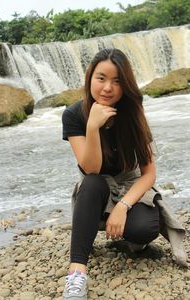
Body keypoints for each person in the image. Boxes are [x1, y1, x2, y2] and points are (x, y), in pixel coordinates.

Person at [61, 48, 186, 300]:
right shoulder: (74, 114)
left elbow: (149, 173)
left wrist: (123, 206)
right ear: (89, 78)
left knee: (144, 229)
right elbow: (91, 169)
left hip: (130, 183)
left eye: (117, 81)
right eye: (101, 78)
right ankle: (76, 274)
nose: (108, 87)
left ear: (126, 85)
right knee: (93, 182)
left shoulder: (132, 112)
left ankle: (125, 235)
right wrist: (93, 126)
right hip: (95, 191)